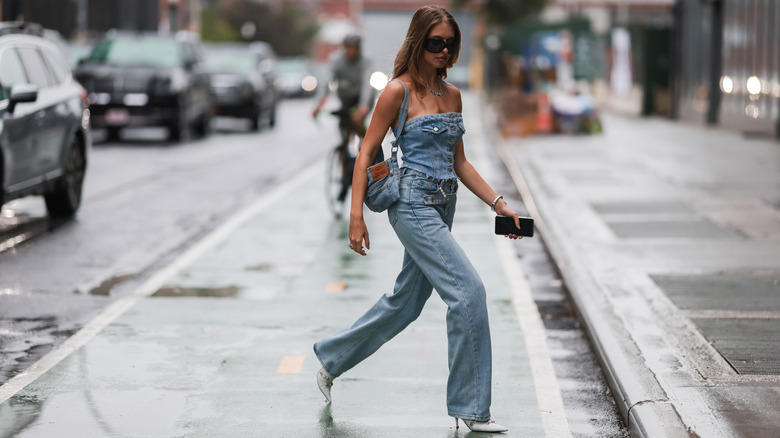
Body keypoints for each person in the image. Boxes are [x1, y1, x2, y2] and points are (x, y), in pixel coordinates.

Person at [313, 5, 523, 434]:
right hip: (411, 204)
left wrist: (498, 202)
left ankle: (331, 359)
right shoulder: (398, 91)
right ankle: (471, 408)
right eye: (435, 42)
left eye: (450, 43)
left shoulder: (453, 95)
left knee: (406, 304)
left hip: (445, 204)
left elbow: (460, 163)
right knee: (468, 293)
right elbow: (365, 153)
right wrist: (356, 217)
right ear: (417, 42)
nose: (443, 50)